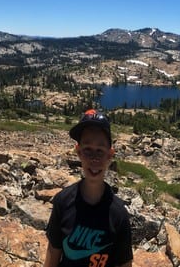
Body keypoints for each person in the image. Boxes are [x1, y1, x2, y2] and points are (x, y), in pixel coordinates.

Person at [45, 109, 133, 267]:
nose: (94, 159)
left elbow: (124, 263)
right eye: (87, 150)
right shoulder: (62, 202)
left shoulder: (119, 214)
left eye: (100, 151)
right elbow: (53, 253)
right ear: (78, 151)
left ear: (110, 155)